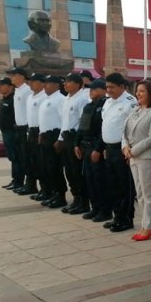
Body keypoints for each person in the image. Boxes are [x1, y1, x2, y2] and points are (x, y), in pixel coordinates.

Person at [123, 80, 151, 241]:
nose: (138, 93)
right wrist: (125, 147)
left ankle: (150, 226)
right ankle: (145, 225)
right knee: (140, 193)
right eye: (137, 91)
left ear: (150, 93)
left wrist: (134, 150)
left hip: (147, 157)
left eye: (142, 91)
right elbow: (124, 132)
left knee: (148, 194)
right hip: (132, 156)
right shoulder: (135, 110)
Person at [101, 73, 137, 232]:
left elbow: (132, 129)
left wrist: (129, 150)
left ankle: (126, 218)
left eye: (112, 87)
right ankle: (117, 216)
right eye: (107, 87)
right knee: (112, 185)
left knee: (125, 187)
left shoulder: (130, 102)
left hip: (122, 149)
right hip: (109, 149)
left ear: (122, 87)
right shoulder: (108, 102)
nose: (108, 90)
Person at [74, 79, 112, 223]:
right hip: (86, 146)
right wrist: (76, 143)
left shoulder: (106, 105)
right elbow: (82, 126)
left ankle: (105, 210)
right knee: (90, 180)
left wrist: (98, 149)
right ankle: (95, 208)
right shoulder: (89, 106)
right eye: (90, 89)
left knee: (100, 181)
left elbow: (105, 129)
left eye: (94, 89)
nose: (91, 92)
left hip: (98, 147)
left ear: (103, 90)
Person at [58, 73, 91, 215]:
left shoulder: (82, 99)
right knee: (69, 172)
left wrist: (78, 143)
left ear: (78, 84)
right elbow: (64, 121)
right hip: (66, 138)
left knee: (78, 173)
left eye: (68, 82)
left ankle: (83, 203)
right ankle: (76, 199)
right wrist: (60, 139)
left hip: (75, 139)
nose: (65, 84)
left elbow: (82, 124)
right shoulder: (67, 99)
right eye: (65, 82)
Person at [37, 75, 67, 208]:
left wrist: (60, 139)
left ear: (56, 85)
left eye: (48, 83)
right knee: (47, 168)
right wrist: (40, 133)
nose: (45, 86)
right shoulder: (47, 99)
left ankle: (60, 196)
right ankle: (53, 193)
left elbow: (64, 120)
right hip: (45, 137)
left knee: (55, 168)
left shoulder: (60, 99)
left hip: (55, 137)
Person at [6, 67, 32, 193]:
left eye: (13, 75)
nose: (11, 78)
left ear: (21, 76)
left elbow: (30, 111)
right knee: (20, 157)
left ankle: (28, 183)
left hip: (25, 129)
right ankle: (19, 181)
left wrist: (27, 129)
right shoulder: (18, 90)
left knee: (26, 158)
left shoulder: (27, 91)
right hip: (18, 128)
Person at [26, 73, 48, 201]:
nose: (31, 83)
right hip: (31, 131)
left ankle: (46, 189)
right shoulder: (30, 97)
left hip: (40, 132)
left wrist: (41, 132)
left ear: (41, 83)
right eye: (30, 81)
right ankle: (40, 188)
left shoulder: (44, 97)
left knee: (42, 163)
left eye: (34, 81)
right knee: (33, 162)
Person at [0, 77, 19, 190]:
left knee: (16, 157)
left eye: (2, 84)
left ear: (11, 87)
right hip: (5, 132)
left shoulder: (14, 100)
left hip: (12, 133)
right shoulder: (3, 99)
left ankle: (18, 181)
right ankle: (15, 180)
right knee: (11, 157)